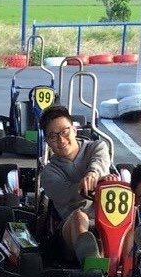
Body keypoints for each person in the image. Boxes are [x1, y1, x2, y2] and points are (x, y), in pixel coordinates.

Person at [38, 104, 112, 264]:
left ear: (74, 130)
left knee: (133, 215)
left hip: (109, 219)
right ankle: (94, 267)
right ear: (47, 141)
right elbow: (68, 194)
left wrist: (93, 175)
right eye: (53, 136)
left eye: (64, 132)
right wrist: (87, 185)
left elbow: (99, 162)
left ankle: (130, 265)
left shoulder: (96, 147)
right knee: (79, 217)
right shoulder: (49, 173)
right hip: (71, 230)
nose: (61, 140)